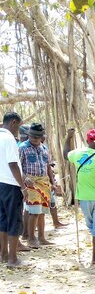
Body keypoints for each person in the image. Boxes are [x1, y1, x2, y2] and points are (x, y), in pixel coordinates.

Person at [63, 128, 95, 265]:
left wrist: (69, 137)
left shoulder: (77, 153)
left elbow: (65, 154)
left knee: (93, 227)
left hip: (84, 198)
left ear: (87, 141)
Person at [19, 122, 55, 248]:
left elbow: (48, 166)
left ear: (41, 137)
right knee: (34, 210)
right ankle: (31, 238)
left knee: (42, 211)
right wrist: (24, 178)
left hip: (44, 182)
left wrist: (53, 182)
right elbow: (17, 166)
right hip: (30, 182)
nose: (34, 138)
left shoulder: (44, 148)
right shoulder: (22, 147)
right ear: (28, 135)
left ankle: (41, 237)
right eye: (32, 136)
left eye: (37, 136)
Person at [0, 111, 29, 267]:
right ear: (13, 122)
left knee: (3, 221)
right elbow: (12, 164)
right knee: (14, 221)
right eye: (19, 126)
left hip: (0, 184)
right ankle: (13, 259)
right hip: (11, 185)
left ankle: (3, 255)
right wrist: (23, 187)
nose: (18, 130)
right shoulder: (9, 139)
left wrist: (23, 177)